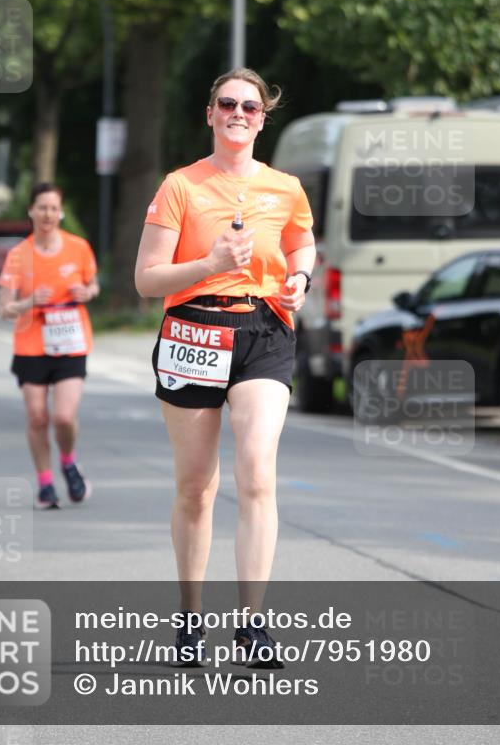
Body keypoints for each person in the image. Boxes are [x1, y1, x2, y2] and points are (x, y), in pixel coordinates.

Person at [135, 67, 316, 667]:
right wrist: (209, 262)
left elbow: (301, 244)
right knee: (196, 487)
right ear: (209, 114)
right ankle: (190, 620)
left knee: (257, 471)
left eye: (251, 106)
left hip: (264, 333)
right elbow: (145, 279)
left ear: (264, 118)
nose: (239, 113)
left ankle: (252, 625)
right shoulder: (180, 186)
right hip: (193, 331)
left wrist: (299, 279)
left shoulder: (285, 187)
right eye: (227, 104)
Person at [0, 183, 99, 510]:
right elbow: (4, 307)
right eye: (41, 207)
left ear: (61, 212)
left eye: (54, 208)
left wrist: (88, 292)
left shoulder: (79, 247)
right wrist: (28, 301)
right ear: (30, 211)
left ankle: (68, 461)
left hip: (71, 341)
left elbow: (92, 284)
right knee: (38, 416)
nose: (48, 214)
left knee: (63, 417)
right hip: (31, 344)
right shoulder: (18, 255)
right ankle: (44, 484)